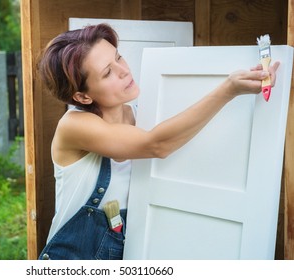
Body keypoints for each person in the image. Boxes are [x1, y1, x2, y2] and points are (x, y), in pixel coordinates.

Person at [36, 23, 280, 260]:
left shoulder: (142, 114)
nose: (124, 71)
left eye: (118, 58)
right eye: (108, 72)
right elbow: (156, 145)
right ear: (82, 95)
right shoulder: (74, 125)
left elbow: (182, 130)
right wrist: (228, 90)